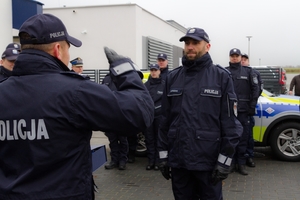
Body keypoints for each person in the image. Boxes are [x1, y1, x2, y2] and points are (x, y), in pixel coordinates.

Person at [0, 13, 154, 200]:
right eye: (68, 49)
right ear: (58, 49)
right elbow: (138, 113)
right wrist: (126, 71)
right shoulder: (75, 91)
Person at [157, 27, 241, 200]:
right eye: (187, 43)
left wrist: (224, 162)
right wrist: (163, 156)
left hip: (208, 164)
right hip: (180, 163)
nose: (190, 47)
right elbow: (164, 120)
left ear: (207, 46)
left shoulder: (221, 77)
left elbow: (230, 124)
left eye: (195, 43)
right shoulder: (172, 78)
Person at [225, 48, 260, 175]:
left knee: (243, 137)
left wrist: (252, 106)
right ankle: (231, 163)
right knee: (229, 138)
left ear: (240, 57)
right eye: (232, 56)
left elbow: (255, 89)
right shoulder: (224, 71)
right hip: (228, 111)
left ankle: (241, 164)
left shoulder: (249, 72)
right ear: (229, 57)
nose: (234, 58)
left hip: (243, 111)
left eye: (237, 56)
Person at [102, 73, 129, 170]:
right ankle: (114, 160)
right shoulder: (106, 79)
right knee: (112, 140)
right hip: (109, 115)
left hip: (121, 115)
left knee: (123, 140)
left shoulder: (124, 78)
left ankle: (122, 161)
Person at [241, 53, 263, 168]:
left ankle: (249, 156)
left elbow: (258, 90)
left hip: (248, 110)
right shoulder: (233, 72)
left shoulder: (254, 73)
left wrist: (251, 105)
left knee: (248, 135)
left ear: (248, 61)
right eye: (242, 59)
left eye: (245, 59)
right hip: (236, 110)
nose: (243, 61)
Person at [144, 63, 165, 170]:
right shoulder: (145, 86)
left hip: (159, 117)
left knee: (159, 139)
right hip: (149, 117)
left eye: (155, 70)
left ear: (159, 71)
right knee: (149, 139)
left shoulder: (164, 85)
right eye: (152, 70)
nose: (153, 72)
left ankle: (158, 161)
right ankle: (151, 161)